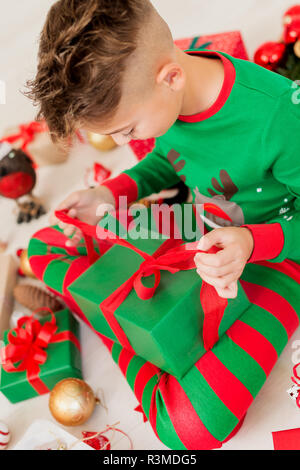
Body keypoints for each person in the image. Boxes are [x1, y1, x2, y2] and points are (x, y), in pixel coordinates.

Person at [26, 0, 300, 449]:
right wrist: (111, 193)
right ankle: (132, 325)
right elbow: (170, 158)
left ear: (170, 77)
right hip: (192, 227)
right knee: (45, 245)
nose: (119, 144)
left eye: (127, 132)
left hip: (277, 259)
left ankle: (116, 325)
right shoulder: (173, 93)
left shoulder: (280, 118)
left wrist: (252, 242)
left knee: (192, 428)